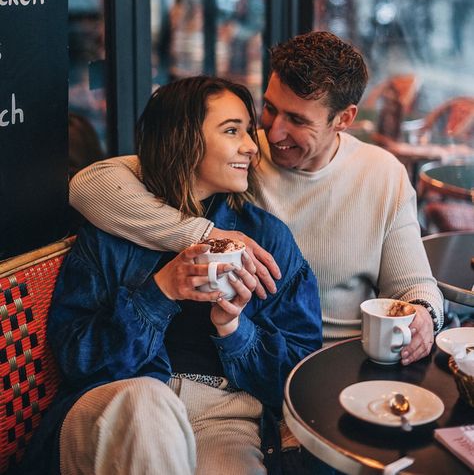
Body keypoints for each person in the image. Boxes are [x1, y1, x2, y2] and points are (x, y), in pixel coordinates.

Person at [70, 31, 444, 366]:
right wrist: (205, 235)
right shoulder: (236, 158)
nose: (273, 132)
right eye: (270, 108)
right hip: (252, 356)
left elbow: (412, 285)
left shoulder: (383, 174)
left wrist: (425, 314)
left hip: (344, 360)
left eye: (297, 121)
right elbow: (90, 185)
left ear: (343, 119)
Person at [20, 76, 322, 475]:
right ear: (183, 139)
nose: (252, 146)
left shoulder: (264, 239)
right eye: (232, 131)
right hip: (117, 407)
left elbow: (299, 378)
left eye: (248, 131)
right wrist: (160, 292)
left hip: (223, 417)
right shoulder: (111, 228)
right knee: (148, 403)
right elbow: (78, 360)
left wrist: (233, 329)